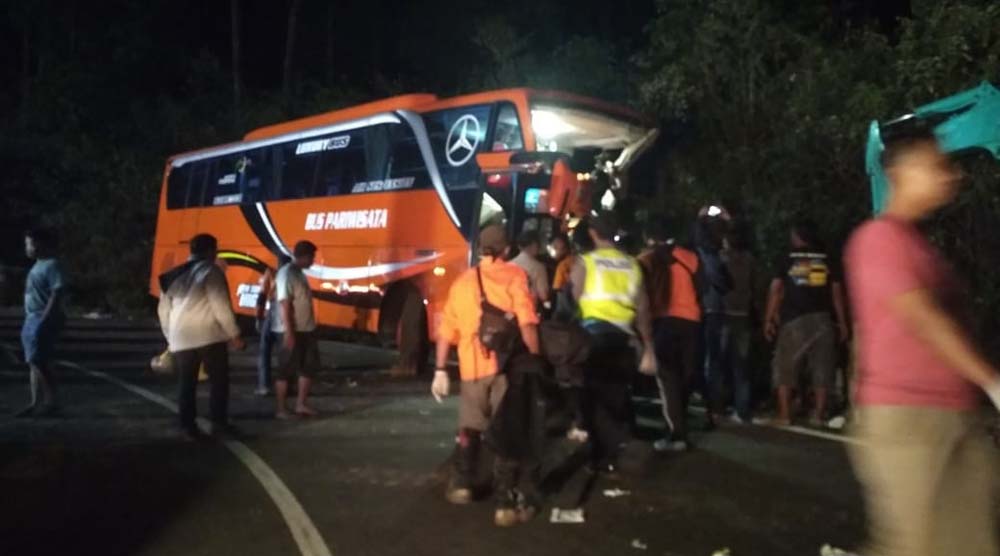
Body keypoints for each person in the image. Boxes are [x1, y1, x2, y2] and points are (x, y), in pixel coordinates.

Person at [844, 131, 1000, 556]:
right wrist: (992, 382)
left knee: (972, 542)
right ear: (899, 173)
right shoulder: (878, 240)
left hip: (956, 415)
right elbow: (922, 318)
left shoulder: (921, 249)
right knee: (914, 546)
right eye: (937, 165)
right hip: (909, 420)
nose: (950, 175)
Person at [431, 224, 542, 527]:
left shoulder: (463, 282)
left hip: (471, 368)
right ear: (506, 249)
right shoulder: (515, 276)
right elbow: (527, 323)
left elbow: (445, 332)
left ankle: (463, 486)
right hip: (505, 367)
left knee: (470, 427)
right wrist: (535, 359)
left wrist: (440, 370)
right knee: (506, 430)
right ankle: (504, 502)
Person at [570, 211, 656, 470]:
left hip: (594, 338)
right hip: (625, 339)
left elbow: (574, 298)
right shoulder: (632, 264)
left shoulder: (586, 263)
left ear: (593, 234)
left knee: (593, 396)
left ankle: (599, 456)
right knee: (618, 395)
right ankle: (617, 451)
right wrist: (648, 346)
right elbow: (643, 309)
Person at [157, 234, 245, 438]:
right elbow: (220, 306)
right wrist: (235, 335)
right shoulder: (211, 271)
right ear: (209, 251)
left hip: (181, 337)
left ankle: (187, 426)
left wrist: (171, 338)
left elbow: (163, 311)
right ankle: (218, 423)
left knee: (186, 383)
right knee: (219, 382)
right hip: (209, 336)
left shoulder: (172, 275)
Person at [764, 219, 848, 426]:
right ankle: (818, 415)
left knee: (785, 367)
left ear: (797, 236)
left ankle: (784, 415)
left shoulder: (786, 258)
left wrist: (769, 318)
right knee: (822, 367)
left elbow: (776, 290)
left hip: (794, 320)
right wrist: (842, 321)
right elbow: (836, 293)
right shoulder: (828, 259)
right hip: (823, 319)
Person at [639, 221, 702, 452]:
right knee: (685, 376)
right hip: (691, 322)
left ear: (649, 238)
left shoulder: (646, 259)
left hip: (663, 320)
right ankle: (679, 426)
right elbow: (702, 287)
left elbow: (641, 293)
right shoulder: (689, 256)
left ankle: (677, 434)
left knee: (668, 380)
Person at [16, 228, 67, 418]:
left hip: (42, 317)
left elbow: (57, 291)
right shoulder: (36, 266)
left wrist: (45, 318)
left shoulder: (52, 265)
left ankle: (52, 401)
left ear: (40, 243)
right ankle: (35, 402)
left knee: (40, 360)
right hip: (31, 317)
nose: (27, 248)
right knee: (33, 361)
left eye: (29, 243)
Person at [272, 241, 321, 419]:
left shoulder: (299, 273)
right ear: (304, 256)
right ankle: (281, 409)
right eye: (312, 257)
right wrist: (289, 332)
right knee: (285, 370)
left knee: (308, 367)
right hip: (291, 330)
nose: (313, 260)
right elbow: (285, 304)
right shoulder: (286, 274)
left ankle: (301, 404)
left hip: (306, 329)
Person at [714, 224, 757, 423]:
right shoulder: (750, 260)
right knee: (742, 365)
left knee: (720, 363)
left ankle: (720, 405)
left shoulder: (723, 258)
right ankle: (742, 409)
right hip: (745, 315)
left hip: (725, 314)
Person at [696, 213, 734, 427]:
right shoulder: (717, 256)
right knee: (715, 359)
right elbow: (724, 283)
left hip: (706, 310)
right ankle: (715, 405)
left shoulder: (700, 255)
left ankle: (712, 406)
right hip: (716, 309)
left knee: (710, 360)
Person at [255, 255, 291, 397]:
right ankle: (286, 386)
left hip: (272, 313)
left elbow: (262, 296)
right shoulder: (292, 275)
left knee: (264, 352)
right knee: (286, 354)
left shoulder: (271, 273)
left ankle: (264, 386)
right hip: (286, 314)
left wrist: (258, 317)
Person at [510, 229, 550, 309]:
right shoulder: (539, 267)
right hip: (528, 310)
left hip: (509, 308)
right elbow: (543, 295)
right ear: (534, 245)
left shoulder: (508, 264)